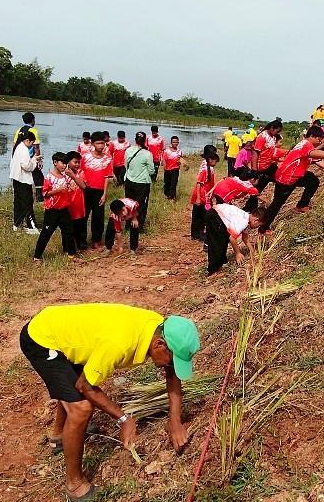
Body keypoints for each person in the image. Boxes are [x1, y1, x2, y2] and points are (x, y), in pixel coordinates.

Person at [19, 303, 199, 501]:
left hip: (68, 333)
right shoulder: (120, 344)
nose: (171, 365)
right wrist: (123, 419)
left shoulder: (158, 327)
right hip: (42, 339)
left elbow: (172, 374)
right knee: (81, 408)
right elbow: (84, 386)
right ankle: (75, 485)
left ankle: (59, 437)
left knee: (72, 388)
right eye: (172, 359)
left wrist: (175, 420)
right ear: (159, 345)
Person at [259, 127, 324, 232]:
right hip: (286, 178)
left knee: (313, 181)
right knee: (277, 203)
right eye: (319, 139)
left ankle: (301, 205)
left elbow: (319, 161)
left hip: (296, 176)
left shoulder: (309, 147)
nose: (320, 142)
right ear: (311, 136)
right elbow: (314, 154)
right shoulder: (306, 144)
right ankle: (263, 229)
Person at [33, 153, 86, 261]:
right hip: (52, 210)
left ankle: (71, 254)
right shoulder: (49, 177)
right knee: (46, 234)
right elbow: (44, 194)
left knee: (69, 232)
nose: (64, 166)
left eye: (65, 163)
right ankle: (37, 257)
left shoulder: (65, 177)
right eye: (62, 163)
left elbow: (81, 186)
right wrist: (58, 190)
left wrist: (73, 176)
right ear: (55, 163)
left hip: (64, 210)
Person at [205, 202, 265, 274]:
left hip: (217, 214)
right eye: (258, 225)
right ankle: (213, 269)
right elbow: (232, 238)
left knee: (223, 240)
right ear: (256, 221)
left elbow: (245, 239)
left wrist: (252, 251)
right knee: (217, 243)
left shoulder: (246, 217)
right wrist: (238, 253)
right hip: (215, 216)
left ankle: (221, 261)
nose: (257, 227)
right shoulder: (243, 222)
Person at [81, 138, 115, 249]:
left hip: (99, 191)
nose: (101, 145)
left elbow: (107, 177)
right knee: (83, 216)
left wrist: (104, 194)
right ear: (92, 144)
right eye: (98, 143)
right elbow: (79, 171)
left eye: (102, 143)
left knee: (98, 216)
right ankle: (81, 241)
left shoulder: (107, 158)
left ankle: (96, 240)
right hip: (86, 189)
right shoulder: (85, 157)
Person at [247, 119, 287, 208]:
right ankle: (250, 208)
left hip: (269, 166)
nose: (278, 133)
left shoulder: (272, 137)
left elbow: (271, 151)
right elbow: (255, 154)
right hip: (261, 168)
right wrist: (254, 171)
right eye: (277, 130)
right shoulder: (262, 137)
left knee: (280, 181)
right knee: (256, 190)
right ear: (272, 128)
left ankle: (275, 203)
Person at [10, 131, 42, 234]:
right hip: (23, 180)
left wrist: (33, 159)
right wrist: (34, 161)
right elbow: (27, 166)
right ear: (28, 140)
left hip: (17, 179)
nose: (32, 145)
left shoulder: (18, 147)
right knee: (28, 204)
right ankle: (32, 227)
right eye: (32, 143)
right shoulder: (24, 149)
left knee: (19, 203)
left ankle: (17, 224)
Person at [123, 132, 155, 229]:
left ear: (135, 139)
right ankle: (137, 226)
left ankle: (128, 225)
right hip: (142, 183)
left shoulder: (128, 151)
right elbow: (151, 170)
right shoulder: (147, 154)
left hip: (129, 180)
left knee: (129, 203)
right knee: (140, 205)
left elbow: (126, 166)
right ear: (145, 141)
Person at [190, 148, 220, 241]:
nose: (216, 163)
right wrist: (198, 198)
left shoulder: (210, 169)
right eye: (215, 161)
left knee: (199, 215)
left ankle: (198, 233)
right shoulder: (205, 170)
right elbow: (199, 183)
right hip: (202, 196)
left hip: (205, 196)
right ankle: (198, 233)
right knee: (201, 215)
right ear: (210, 160)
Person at [66, 152, 89, 253]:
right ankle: (70, 246)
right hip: (68, 205)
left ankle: (82, 244)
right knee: (69, 228)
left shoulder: (81, 172)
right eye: (75, 162)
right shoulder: (63, 173)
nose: (77, 164)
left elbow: (84, 186)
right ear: (68, 162)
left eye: (78, 162)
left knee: (80, 226)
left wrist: (74, 176)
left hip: (79, 205)